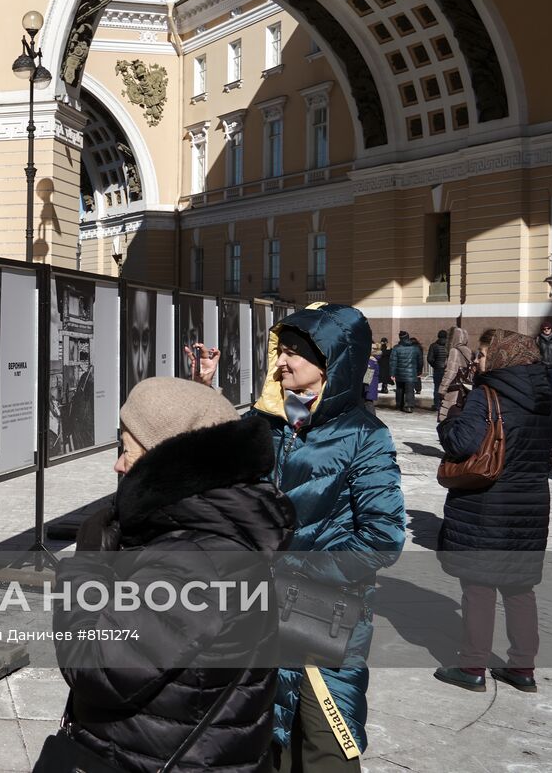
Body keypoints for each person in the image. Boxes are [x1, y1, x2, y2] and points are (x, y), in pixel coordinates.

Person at [191, 304, 406, 771]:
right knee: (265, 745)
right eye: (280, 351)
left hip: (322, 624)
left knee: (327, 750)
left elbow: (383, 538)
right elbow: (225, 457)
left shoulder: (364, 435)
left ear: (331, 360)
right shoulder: (271, 420)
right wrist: (207, 391)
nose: (280, 362)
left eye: (293, 353)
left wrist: (292, 569)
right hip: (261, 618)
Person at [46, 378, 295, 773]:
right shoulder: (206, 536)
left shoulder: (193, 561)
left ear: (161, 460)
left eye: (125, 450)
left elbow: (93, 667)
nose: (118, 465)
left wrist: (87, 567)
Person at [432, 330, 552, 694]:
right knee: (520, 588)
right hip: (531, 505)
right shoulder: (545, 399)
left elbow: (460, 442)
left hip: (486, 504)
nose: (479, 361)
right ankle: (523, 668)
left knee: (479, 586)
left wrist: (453, 414)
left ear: (502, 357)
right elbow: (547, 456)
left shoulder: (486, 395)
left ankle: (471, 665)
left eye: (484, 354)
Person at [438, 326, 475, 424]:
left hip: (454, 387)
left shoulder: (454, 351)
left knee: (448, 414)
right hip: (464, 388)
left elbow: (451, 371)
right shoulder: (468, 350)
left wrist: (442, 389)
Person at [388, 331, 423, 413]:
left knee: (400, 389)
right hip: (411, 373)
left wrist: (392, 373)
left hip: (399, 372)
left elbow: (393, 362)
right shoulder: (415, 348)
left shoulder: (396, 348)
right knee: (410, 390)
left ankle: (399, 404)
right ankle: (409, 406)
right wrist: (419, 371)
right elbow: (420, 361)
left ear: (400, 338)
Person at [534, 321, 552, 412]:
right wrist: (538, 366)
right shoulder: (538, 339)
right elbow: (534, 354)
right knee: (543, 390)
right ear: (542, 330)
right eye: (544, 329)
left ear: (551, 329)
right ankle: (545, 408)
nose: (546, 330)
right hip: (543, 369)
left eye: (548, 328)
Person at [426, 330, 449, 412]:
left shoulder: (433, 346)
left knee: (437, 387)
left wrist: (435, 365)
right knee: (446, 387)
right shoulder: (449, 346)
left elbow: (429, 359)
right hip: (447, 370)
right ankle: (445, 405)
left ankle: (437, 405)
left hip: (438, 369)